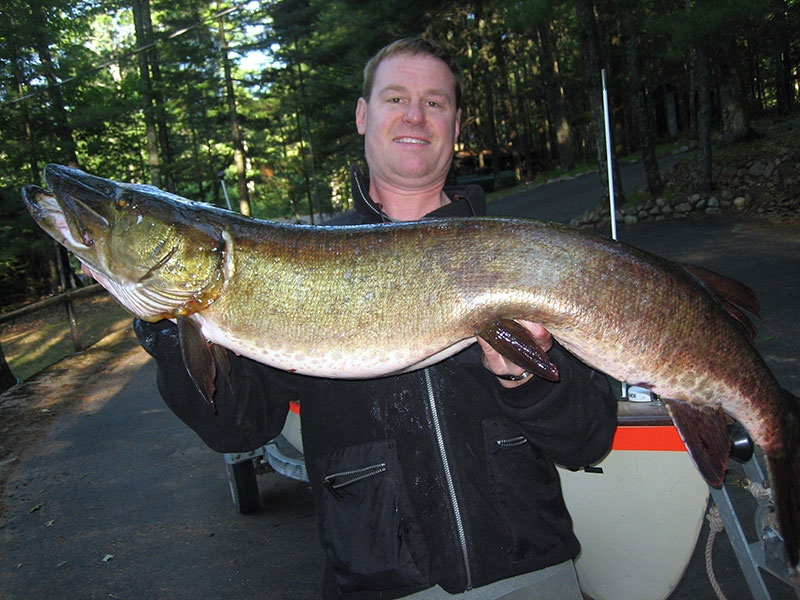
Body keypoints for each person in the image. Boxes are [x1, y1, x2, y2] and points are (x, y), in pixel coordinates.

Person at [134, 37, 618, 600]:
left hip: (531, 574)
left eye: (435, 102)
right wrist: (168, 325)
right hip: (382, 585)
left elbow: (589, 439)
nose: (415, 115)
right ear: (364, 116)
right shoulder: (297, 263)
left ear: (455, 125)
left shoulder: (519, 256)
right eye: (395, 98)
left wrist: (524, 374)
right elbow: (235, 425)